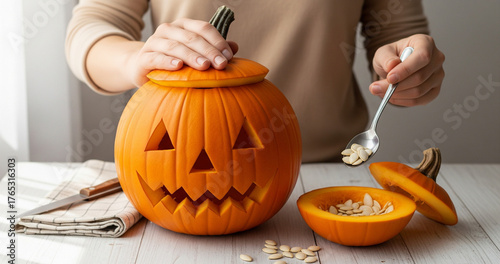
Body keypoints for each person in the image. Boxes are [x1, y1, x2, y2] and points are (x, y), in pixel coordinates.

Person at [65, 0, 445, 163]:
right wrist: (136, 58)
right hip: (183, 165)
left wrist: (405, 71)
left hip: (324, 170)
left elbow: (397, 34)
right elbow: (93, 27)